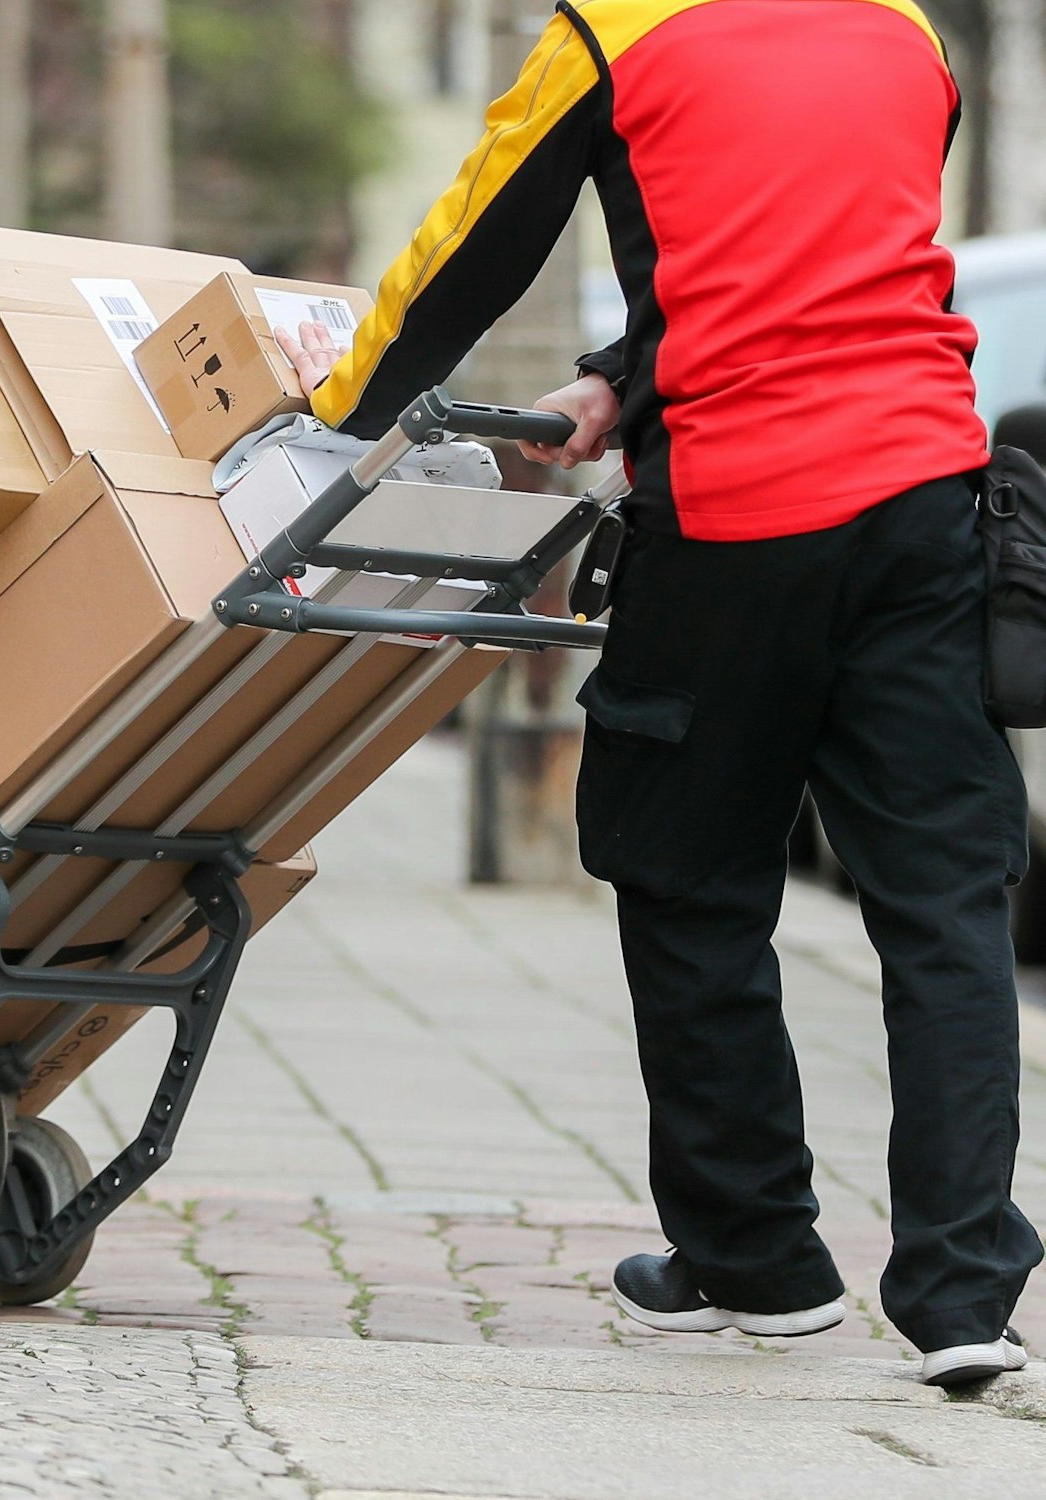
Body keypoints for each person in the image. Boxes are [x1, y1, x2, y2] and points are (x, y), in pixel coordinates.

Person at [276, 0, 1039, 1387]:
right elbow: (826, 250)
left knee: (688, 878)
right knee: (943, 898)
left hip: (738, 517)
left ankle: (755, 1259)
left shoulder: (614, 29)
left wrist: (329, 414)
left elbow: (474, 245)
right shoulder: (905, 29)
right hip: (928, 505)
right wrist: (624, 376)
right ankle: (964, 1290)